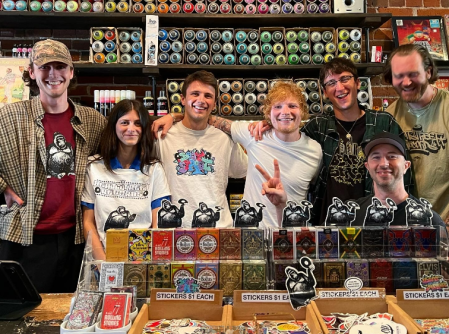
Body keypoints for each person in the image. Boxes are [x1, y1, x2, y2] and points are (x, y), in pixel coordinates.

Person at [251, 58, 414, 225]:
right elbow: (289, 138)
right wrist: (270, 124)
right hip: (327, 227)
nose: (339, 88)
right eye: (331, 83)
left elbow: (405, 178)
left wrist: (405, 220)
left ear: (358, 83)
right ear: (324, 92)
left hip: (373, 223)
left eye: (344, 79)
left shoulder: (383, 122)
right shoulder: (317, 127)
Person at [0, 39, 106, 293]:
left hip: (77, 240)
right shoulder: (9, 116)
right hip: (24, 238)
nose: (53, 74)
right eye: (44, 67)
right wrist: (3, 186)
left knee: (74, 311)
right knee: (25, 314)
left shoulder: (92, 121)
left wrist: (174, 118)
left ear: (71, 72)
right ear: (31, 72)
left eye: (60, 66)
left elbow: (123, 152)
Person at [154, 80, 322, 228]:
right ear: (268, 113)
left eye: (292, 106)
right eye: (278, 107)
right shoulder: (252, 135)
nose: (285, 112)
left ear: (303, 111)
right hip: (252, 233)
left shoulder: (315, 151)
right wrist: (173, 116)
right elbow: (200, 114)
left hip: (295, 235)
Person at [152, 70, 248, 228]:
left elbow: (247, 173)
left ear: (214, 103)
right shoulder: (162, 137)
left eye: (208, 96)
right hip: (175, 230)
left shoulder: (224, 139)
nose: (201, 100)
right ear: (183, 99)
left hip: (219, 229)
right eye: (195, 94)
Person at [82, 100, 170, 260]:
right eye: (124, 122)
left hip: (142, 258)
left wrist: (146, 259)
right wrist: (103, 262)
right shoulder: (94, 167)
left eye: (137, 123)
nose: (131, 129)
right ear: (113, 126)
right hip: (103, 258)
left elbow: (159, 223)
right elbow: (88, 222)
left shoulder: (154, 169)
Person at [384, 44, 449, 222]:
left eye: (413, 74)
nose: (406, 82)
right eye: (399, 76)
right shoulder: (389, 117)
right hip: (404, 223)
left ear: (428, 72)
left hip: (444, 222)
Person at [350, 132, 446, 228]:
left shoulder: (430, 221)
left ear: (406, 166)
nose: (384, 164)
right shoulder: (352, 214)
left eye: (392, 156)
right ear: (367, 166)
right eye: (376, 157)